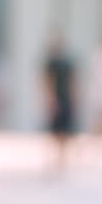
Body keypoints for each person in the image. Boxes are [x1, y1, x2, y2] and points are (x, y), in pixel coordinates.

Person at [42, 33, 77, 172]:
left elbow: (73, 81)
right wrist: (49, 98)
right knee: (55, 129)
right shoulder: (51, 62)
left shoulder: (68, 62)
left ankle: (62, 156)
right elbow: (47, 81)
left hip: (65, 97)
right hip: (56, 98)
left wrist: (74, 97)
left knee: (65, 128)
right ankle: (56, 156)